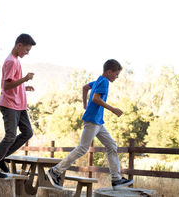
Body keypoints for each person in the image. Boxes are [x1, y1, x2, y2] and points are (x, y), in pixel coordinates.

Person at [46, 59, 134, 190]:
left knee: (111, 146)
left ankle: (116, 179)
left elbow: (85, 87)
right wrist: (113, 109)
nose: (117, 77)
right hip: (93, 121)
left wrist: (84, 105)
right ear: (109, 72)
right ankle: (55, 171)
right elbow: (96, 98)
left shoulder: (99, 80)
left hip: (98, 122)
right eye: (116, 74)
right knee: (82, 148)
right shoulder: (104, 81)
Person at [0, 33, 36, 178]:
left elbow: (12, 83)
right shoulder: (11, 61)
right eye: (26, 50)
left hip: (19, 105)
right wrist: (25, 79)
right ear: (19, 45)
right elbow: (6, 86)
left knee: (27, 133)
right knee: (10, 136)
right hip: (10, 105)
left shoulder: (16, 60)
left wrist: (24, 87)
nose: (27, 53)